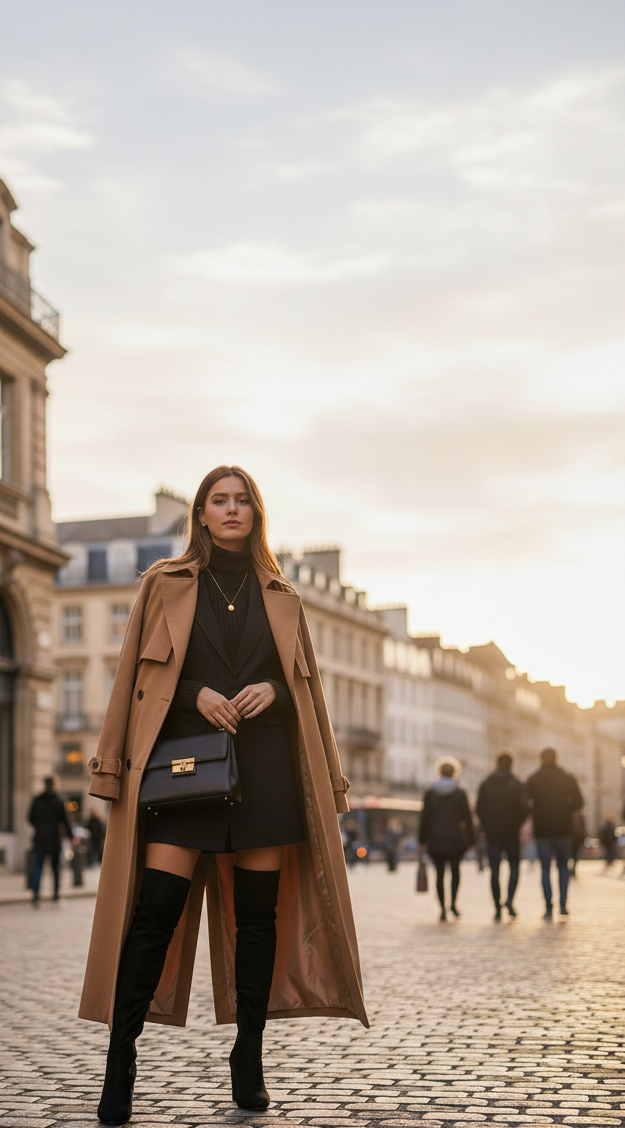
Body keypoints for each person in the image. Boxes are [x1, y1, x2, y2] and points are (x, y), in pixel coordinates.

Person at [79, 466, 367, 1125]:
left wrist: (273, 693)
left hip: (264, 770)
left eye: (242, 501)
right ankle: (121, 1060)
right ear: (201, 515)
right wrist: (194, 695)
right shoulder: (164, 584)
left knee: (256, 923)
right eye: (219, 500)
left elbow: (309, 694)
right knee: (153, 915)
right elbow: (134, 676)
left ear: (255, 514)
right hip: (184, 772)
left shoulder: (284, 595)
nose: (231, 510)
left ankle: (250, 1054)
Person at [526, 747, 584, 919]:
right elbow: (580, 802)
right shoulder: (567, 778)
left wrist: (537, 811)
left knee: (544, 868)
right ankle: (563, 904)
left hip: (543, 829)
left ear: (541, 759)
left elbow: (525, 803)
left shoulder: (533, 779)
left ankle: (548, 906)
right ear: (556, 758)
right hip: (563, 828)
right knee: (563, 867)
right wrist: (566, 809)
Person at [419, 758, 474, 922]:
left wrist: (422, 840)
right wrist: (471, 839)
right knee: (456, 872)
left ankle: (442, 908)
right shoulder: (460, 792)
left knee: (439, 874)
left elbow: (425, 818)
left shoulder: (430, 792)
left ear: (439, 772)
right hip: (455, 838)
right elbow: (467, 817)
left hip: (435, 838)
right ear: (454, 772)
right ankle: (454, 904)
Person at [475, 751, 529, 921]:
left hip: (492, 833)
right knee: (514, 868)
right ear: (511, 764)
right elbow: (524, 809)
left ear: (497, 763)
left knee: (495, 870)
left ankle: (497, 906)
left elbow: (479, 808)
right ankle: (510, 901)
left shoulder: (486, 783)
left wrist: (486, 824)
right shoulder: (517, 784)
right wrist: (517, 823)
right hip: (511, 832)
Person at [28, 776, 72, 904]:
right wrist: (70, 836)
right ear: (54, 784)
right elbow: (65, 821)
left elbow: (30, 818)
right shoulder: (58, 800)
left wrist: (39, 827)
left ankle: (35, 895)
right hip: (54, 838)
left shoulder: (37, 800)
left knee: (38, 867)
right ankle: (56, 894)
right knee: (55, 868)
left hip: (40, 838)